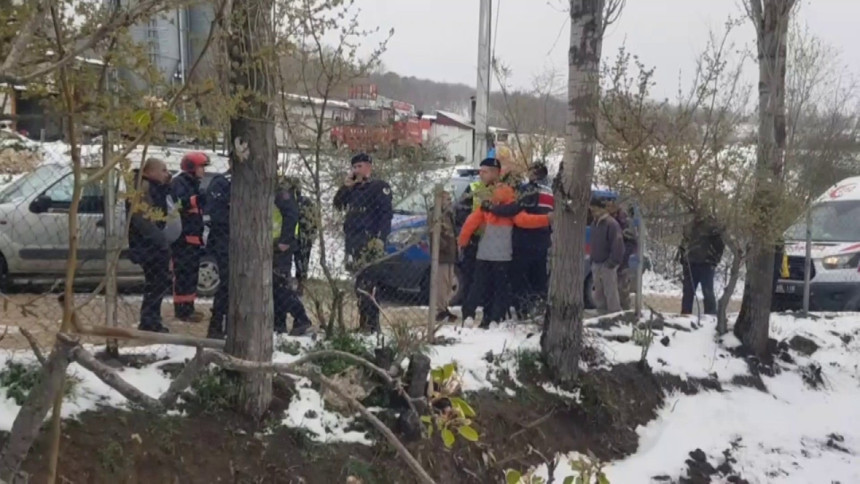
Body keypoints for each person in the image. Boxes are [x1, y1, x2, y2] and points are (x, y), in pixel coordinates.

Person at [457, 157, 552, 329]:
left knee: (478, 285)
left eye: (484, 171)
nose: (481, 174)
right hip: (503, 255)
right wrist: (547, 219)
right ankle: (494, 318)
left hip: (483, 252)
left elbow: (470, 222)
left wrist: (462, 241)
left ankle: (470, 315)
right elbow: (525, 220)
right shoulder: (511, 207)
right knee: (499, 288)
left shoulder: (487, 206)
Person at [333, 153, 393, 333]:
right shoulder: (352, 189)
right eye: (355, 167)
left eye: (360, 166)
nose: (357, 170)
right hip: (353, 241)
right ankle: (363, 322)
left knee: (370, 283)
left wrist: (381, 238)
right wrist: (345, 186)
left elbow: (385, 215)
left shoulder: (378, 187)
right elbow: (337, 204)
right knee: (359, 285)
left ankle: (372, 324)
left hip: (370, 241)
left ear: (369, 167)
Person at [488, 162, 554, 318]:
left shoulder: (529, 190)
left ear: (533, 173)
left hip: (525, 241)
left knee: (520, 279)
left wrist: (492, 208)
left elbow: (515, 211)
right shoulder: (551, 192)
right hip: (543, 240)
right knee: (539, 279)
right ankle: (539, 309)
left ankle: (522, 310)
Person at [128, 158, 176, 333]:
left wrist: (166, 184)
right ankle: (149, 321)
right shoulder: (143, 188)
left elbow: (162, 203)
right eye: (163, 170)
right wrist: (162, 243)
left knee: (157, 283)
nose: (167, 173)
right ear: (150, 172)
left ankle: (152, 319)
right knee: (156, 283)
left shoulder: (153, 187)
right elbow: (143, 220)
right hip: (149, 245)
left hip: (152, 243)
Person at [170, 152, 208, 322]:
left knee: (191, 274)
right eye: (201, 167)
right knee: (183, 274)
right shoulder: (180, 182)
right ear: (192, 168)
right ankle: (181, 311)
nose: (203, 171)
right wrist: (196, 200)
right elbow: (180, 203)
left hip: (193, 237)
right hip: (183, 238)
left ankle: (189, 307)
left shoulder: (193, 183)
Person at [273, 179, 313, 335]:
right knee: (276, 287)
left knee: (280, 285)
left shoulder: (281, 193)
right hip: (274, 244)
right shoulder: (275, 191)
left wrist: (284, 241)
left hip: (279, 245)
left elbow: (291, 215)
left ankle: (301, 319)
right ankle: (279, 325)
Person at [679, 214, 724, 316]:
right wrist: (683, 259)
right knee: (688, 293)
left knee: (708, 292)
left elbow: (720, 245)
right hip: (690, 265)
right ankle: (685, 316)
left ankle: (711, 317)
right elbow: (683, 244)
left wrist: (714, 260)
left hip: (706, 265)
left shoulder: (711, 226)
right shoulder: (689, 226)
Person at [205, 167, 231, 339]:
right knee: (227, 284)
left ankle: (229, 324)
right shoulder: (222, 182)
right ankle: (216, 325)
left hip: (238, 241)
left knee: (233, 284)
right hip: (224, 241)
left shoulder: (249, 180)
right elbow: (215, 214)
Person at [590, 199, 625, 314]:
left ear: (602, 209)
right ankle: (601, 315)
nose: (593, 211)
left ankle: (614, 315)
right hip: (596, 263)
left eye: (595, 209)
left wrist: (612, 262)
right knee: (598, 293)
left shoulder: (611, 224)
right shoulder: (594, 224)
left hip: (607, 264)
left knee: (610, 293)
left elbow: (618, 244)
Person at [429, 190, 458, 322]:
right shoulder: (435, 215)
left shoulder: (449, 214)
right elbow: (435, 234)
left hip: (450, 253)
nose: (450, 202)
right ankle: (440, 309)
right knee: (441, 282)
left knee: (448, 282)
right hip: (442, 254)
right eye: (447, 199)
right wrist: (444, 246)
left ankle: (445, 307)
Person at [609, 203, 638, 311]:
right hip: (618, 259)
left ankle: (625, 308)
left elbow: (631, 241)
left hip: (623, 260)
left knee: (623, 287)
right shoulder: (616, 221)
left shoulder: (626, 223)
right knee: (616, 287)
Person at [292, 180, 317, 295]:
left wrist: (310, 236)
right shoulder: (292, 202)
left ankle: (300, 287)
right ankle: (298, 286)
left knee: (301, 264)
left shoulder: (304, 202)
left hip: (303, 238)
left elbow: (313, 222)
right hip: (297, 237)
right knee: (300, 263)